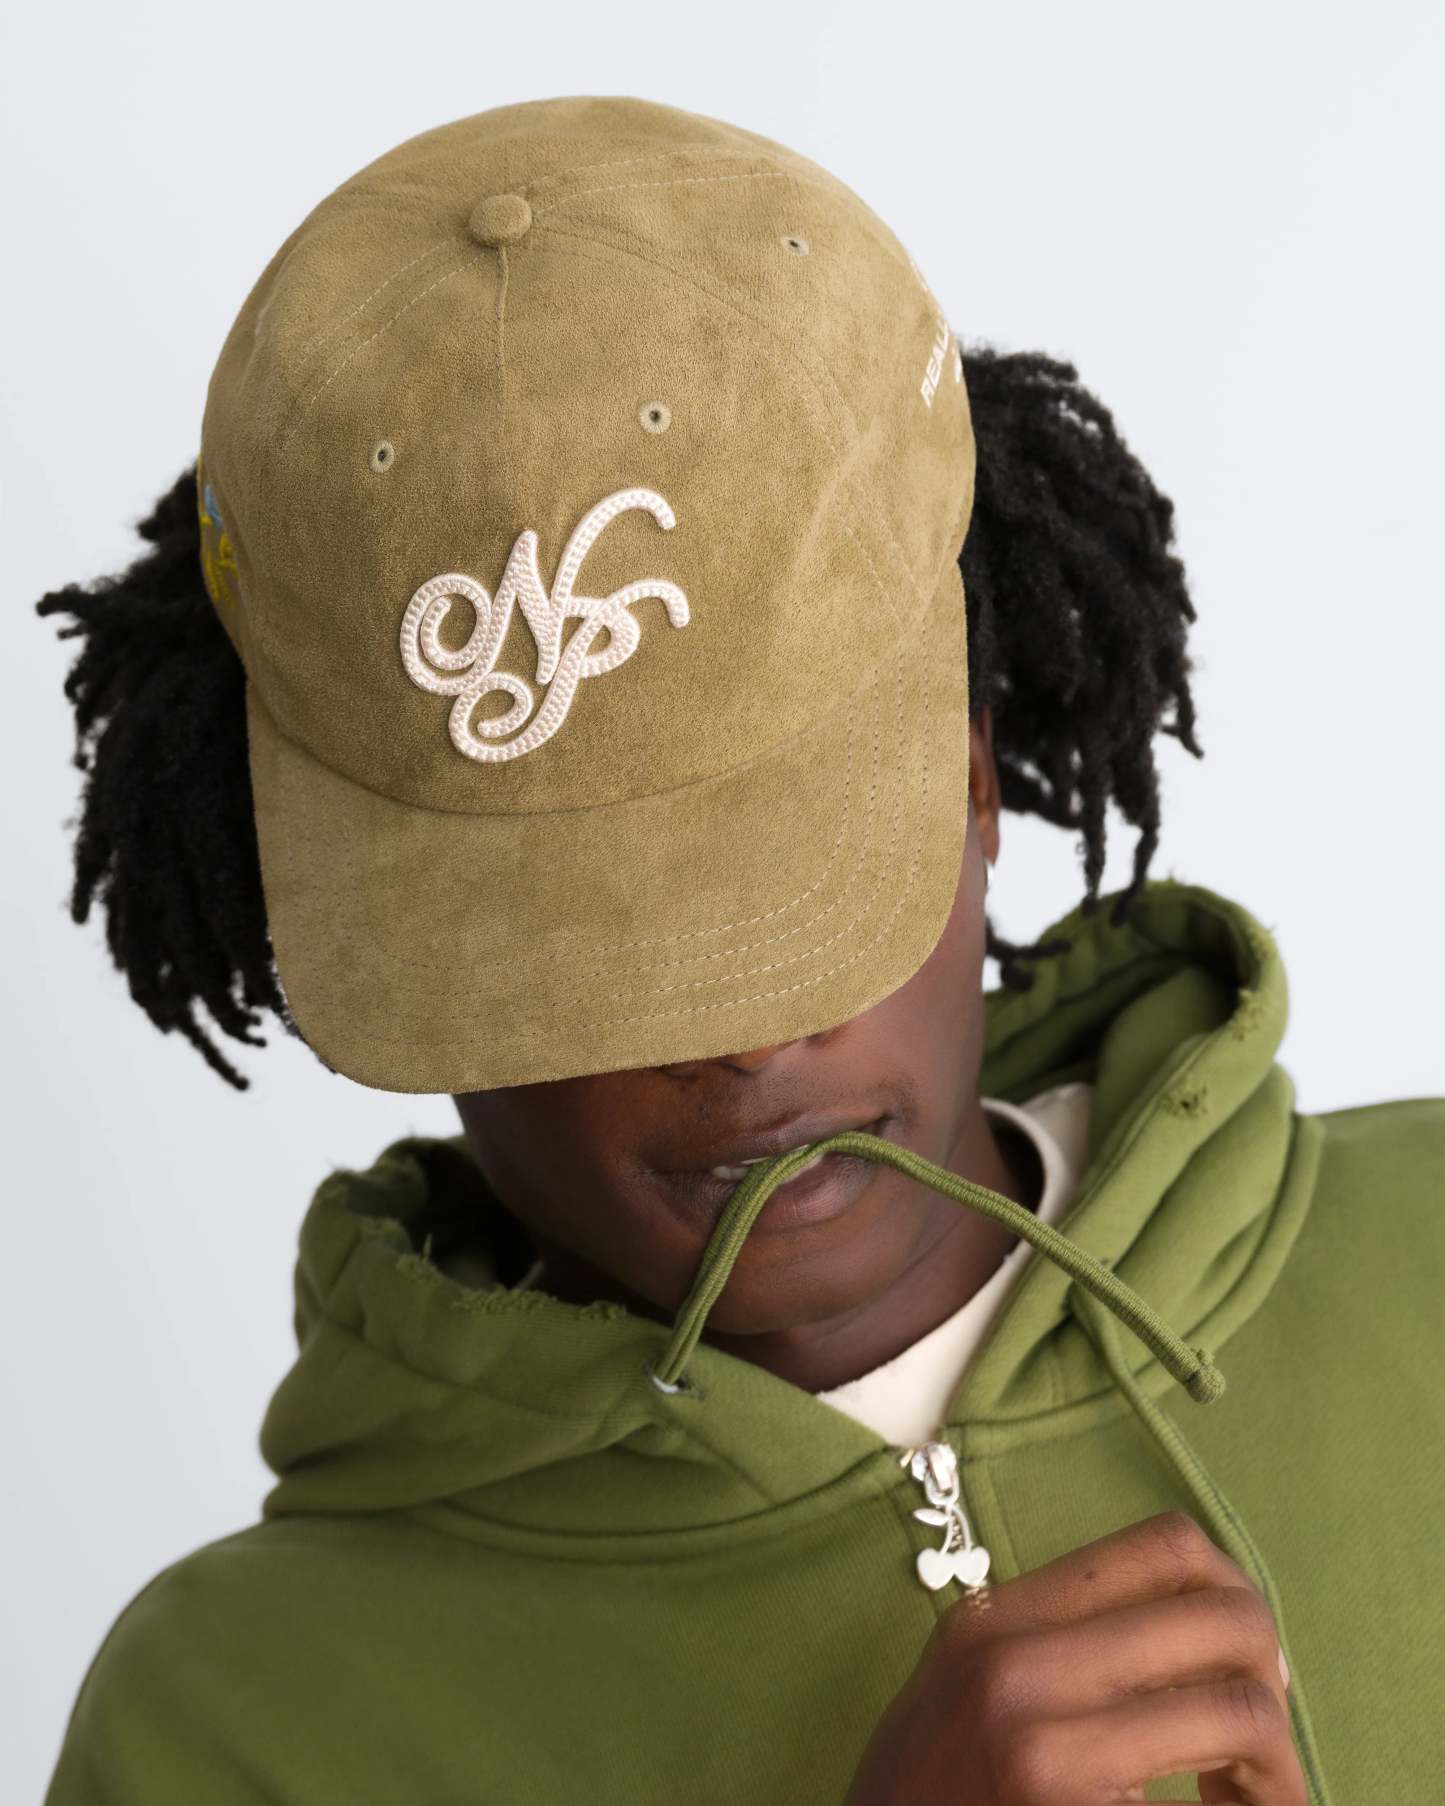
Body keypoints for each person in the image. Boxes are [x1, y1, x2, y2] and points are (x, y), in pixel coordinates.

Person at [34, 94, 1441, 1806]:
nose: (744, 1037)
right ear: (352, 925)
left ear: (971, 778)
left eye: (790, 871)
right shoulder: (224, 1726)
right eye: (580, 928)